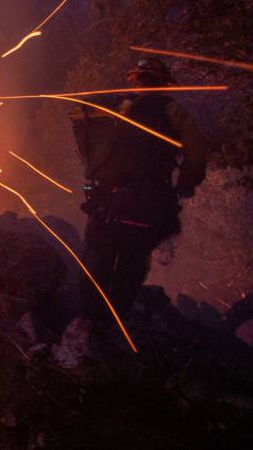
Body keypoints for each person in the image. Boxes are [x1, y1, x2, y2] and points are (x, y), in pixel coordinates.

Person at [70, 58, 205, 323]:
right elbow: (196, 152)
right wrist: (187, 184)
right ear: (164, 84)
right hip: (149, 202)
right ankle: (114, 323)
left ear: (136, 79)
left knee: (98, 256)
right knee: (132, 262)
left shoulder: (118, 107)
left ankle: (86, 322)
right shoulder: (173, 111)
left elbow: (93, 148)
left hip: (107, 199)